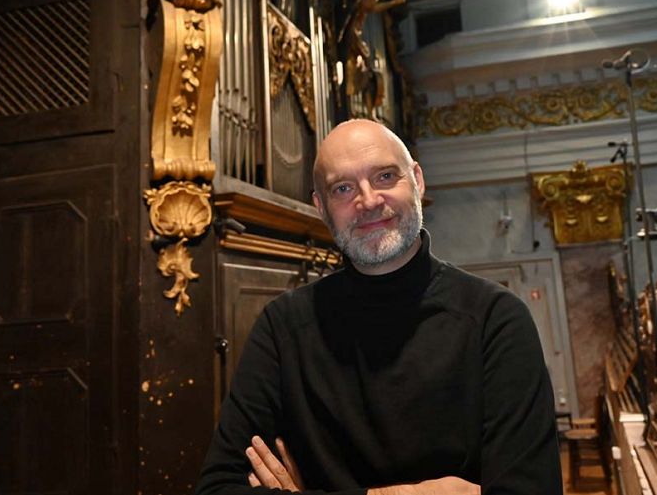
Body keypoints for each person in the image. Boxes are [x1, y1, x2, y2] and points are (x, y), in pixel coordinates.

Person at [195, 119, 561, 494]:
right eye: (343, 188)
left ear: (417, 180)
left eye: (385, 176)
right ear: (321, 207)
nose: (368, 201)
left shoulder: (496, 319)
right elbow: (217, 488)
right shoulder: (282, 326)